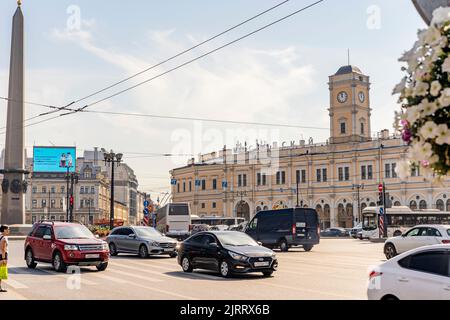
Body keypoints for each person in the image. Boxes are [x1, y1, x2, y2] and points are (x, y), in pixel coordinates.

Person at [0, 225, 9, 292]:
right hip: (2, 256)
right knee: (1, 272)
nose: (9, 230)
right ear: (4, 230)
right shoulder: (4, 238)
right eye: (8, 229)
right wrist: (3, 259)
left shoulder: (0, 236)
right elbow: (3, 249)